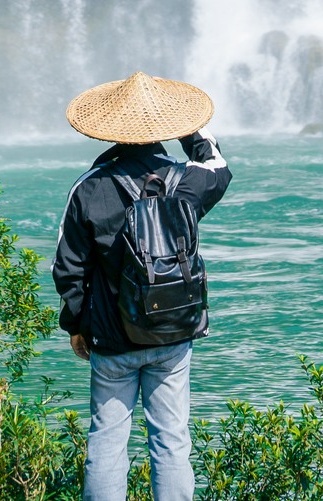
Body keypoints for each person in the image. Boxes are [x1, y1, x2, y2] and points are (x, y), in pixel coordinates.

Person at [53, 71, 232, 501]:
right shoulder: (185, 182)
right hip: (174, 331)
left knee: (107, 441)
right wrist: (188, 125)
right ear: (162, 130)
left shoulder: (88, 188)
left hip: (112, 337)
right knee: (171, 442)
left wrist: (77, 325)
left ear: (109, 132)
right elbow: (219, 167)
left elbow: (68, 268)